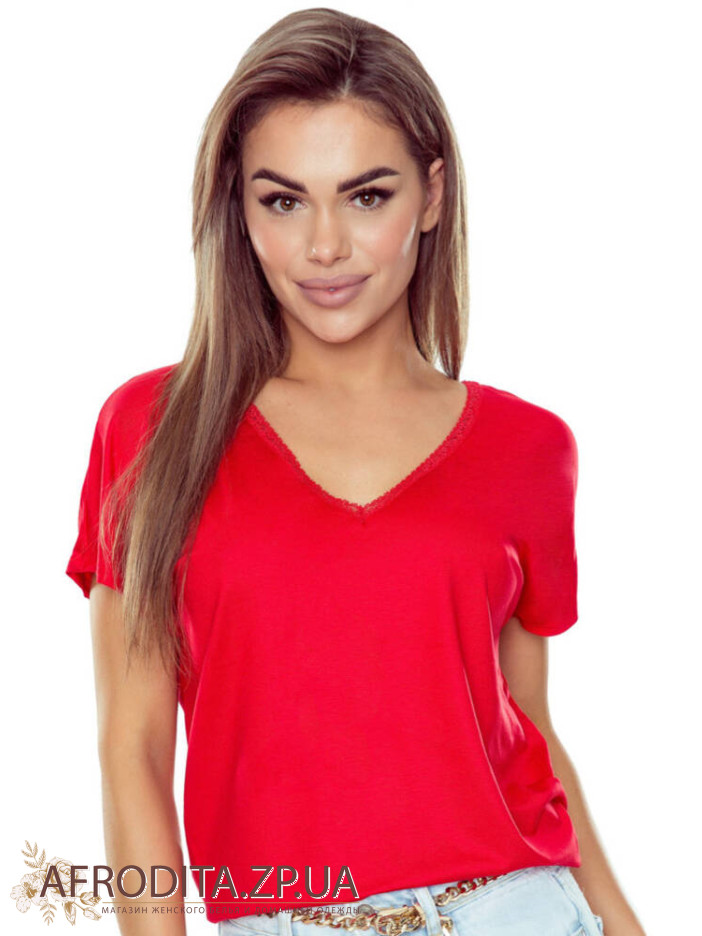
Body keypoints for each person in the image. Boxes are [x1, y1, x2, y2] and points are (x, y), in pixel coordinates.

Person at [65, 8, 646, 936]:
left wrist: (623, 924)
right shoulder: (152, 430)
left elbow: (527, 724)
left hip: (522, 910)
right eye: (283, 201)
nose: (325, 246)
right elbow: (130, 751)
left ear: (433, 195)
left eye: (367, 196)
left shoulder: (531, 449)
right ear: (238, 208)